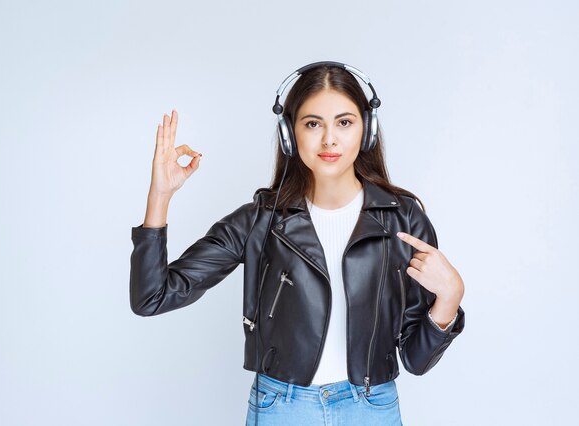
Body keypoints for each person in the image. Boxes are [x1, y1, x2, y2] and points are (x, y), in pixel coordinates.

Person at [129, 62, 466, 426]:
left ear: (366, 130)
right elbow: (152, 298)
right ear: (290, 134)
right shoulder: (261, 220)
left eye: (344, 122)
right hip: (283, 408)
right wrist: (159, 197)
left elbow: (416, 360)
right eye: (312, 123)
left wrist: (450, 299)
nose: (329, 140)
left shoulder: (404, 219)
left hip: (371, 409)